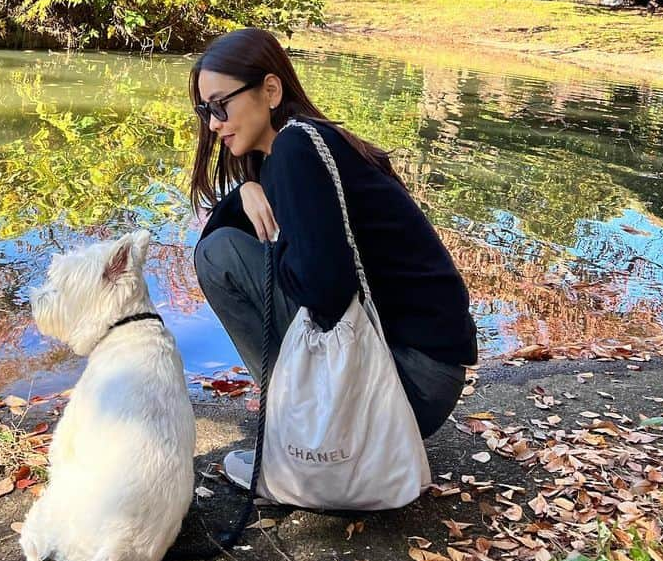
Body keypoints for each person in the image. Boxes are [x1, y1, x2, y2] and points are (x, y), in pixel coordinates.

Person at [189, 28, 478, 493]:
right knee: (226, 248)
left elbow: (327, 290)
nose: (213, 123)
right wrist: (245, 192)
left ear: (270, 89)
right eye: (206, 111)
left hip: (411, 382)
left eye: (221, 105)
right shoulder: (309, 143)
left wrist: (279, 246)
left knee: (220, 257)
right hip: (430, 374)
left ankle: (308, 450)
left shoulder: (294, 152)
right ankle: (315, 435)